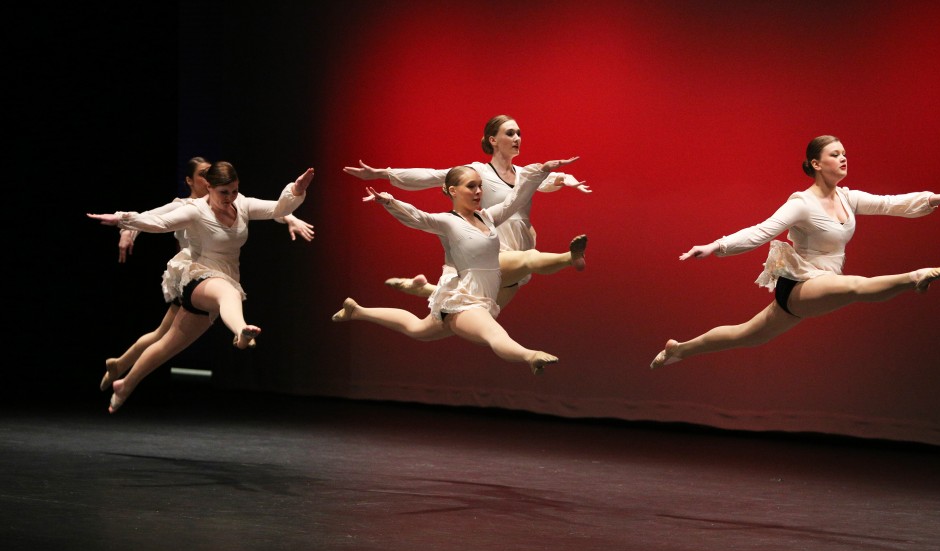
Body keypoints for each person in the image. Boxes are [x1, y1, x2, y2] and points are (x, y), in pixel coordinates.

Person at [651, 135, 940, 369]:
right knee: (856, 287)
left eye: (845, 153)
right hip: (799, 283)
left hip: (820, 283)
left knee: (748, 336)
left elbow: (889, 203)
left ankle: (680, 351)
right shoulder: (802, 204)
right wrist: (716, 246)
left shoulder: (847, 198)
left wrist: (937, 197)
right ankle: (915, 278)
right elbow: (761, 231)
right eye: (835, 154)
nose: (843, 158)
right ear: (816, 163)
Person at [88, 162, 315, 412]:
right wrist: (122, 220)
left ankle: (125, 384)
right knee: (227, 292)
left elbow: (277, 208)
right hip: (197, 276)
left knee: (167, 344)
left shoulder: (243, 205)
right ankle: (241, 332)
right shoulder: (194, 210)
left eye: (234, 191)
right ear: (208, 186)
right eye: (224, 193)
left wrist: (295, 189)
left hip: (224, 277)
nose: (230, 198)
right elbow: (159, 222)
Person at [332, 157, 579, 375]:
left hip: (478, 297)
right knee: (494, 334)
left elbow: (515, 200)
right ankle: (530, 355)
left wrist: (541, 171)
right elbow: (418, 217)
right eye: (471, 186)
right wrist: (389, 201)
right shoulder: (448, 222)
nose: (478, 191)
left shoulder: (488, 217)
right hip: (465, 302)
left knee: (417, 328)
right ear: (453, 190)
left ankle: (358, 311)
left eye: (480, 186)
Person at [344, 114, 590, 311]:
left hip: (520, 242)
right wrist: (383, 173)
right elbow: (433, 175)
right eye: (510, 133)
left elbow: (547, 180)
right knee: (530, 261)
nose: (517, 138)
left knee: (479, 308)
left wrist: (567, 180)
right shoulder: (477, 171)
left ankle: (424, 290)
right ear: (492, 140)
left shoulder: (525, 174)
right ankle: (570, 257)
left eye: (519, 133)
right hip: (493, 243)